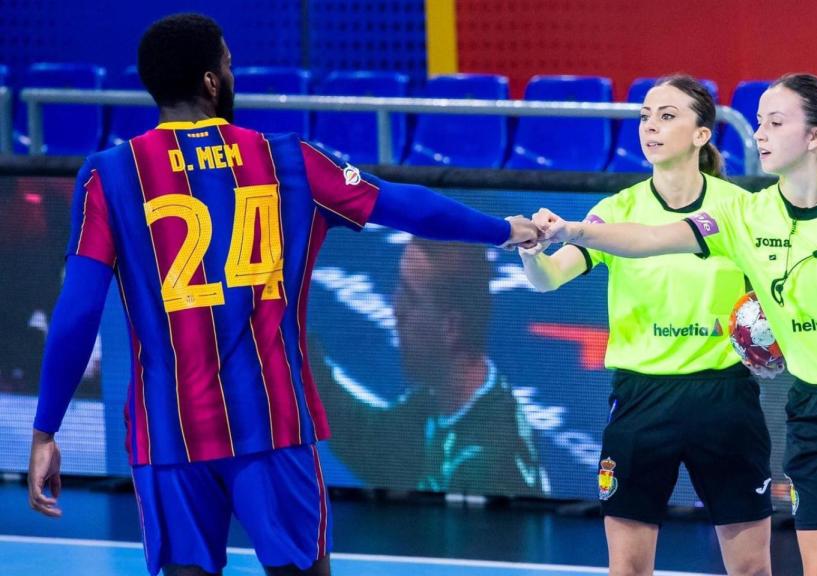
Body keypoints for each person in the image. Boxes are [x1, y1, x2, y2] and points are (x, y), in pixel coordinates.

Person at [25, 13, 538, 576]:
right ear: (211, 82)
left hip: (168, 432)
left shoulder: (110, 175)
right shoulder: (288, 160)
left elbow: (76, 315)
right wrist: (502, 229)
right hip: (272, 424)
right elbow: (406, 205)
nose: (231, 73)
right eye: (228, 62)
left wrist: (47, 428)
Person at [532, 73, 817, 576]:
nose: (760, 135)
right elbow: (651, 238)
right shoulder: (744, 216)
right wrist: (573, 230)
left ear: (815, 136)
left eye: (775, 123)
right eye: (758, 124)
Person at [518, 75, 772, 576]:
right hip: (641, 401)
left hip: (723, 399)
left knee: (750, 570)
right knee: (628, 569)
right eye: (645, 117)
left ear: (702, 134)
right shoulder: (616, 210)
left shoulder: (742, 209)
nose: (650, 127)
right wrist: (533, 253)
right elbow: (548, 280)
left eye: (667, 116)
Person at [314, 237, 547, 496]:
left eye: (410, 298)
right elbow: (364, 438)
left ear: (451, 328)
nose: (395, 308)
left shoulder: (488, 462)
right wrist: (300, 354)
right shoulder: (434, 404)